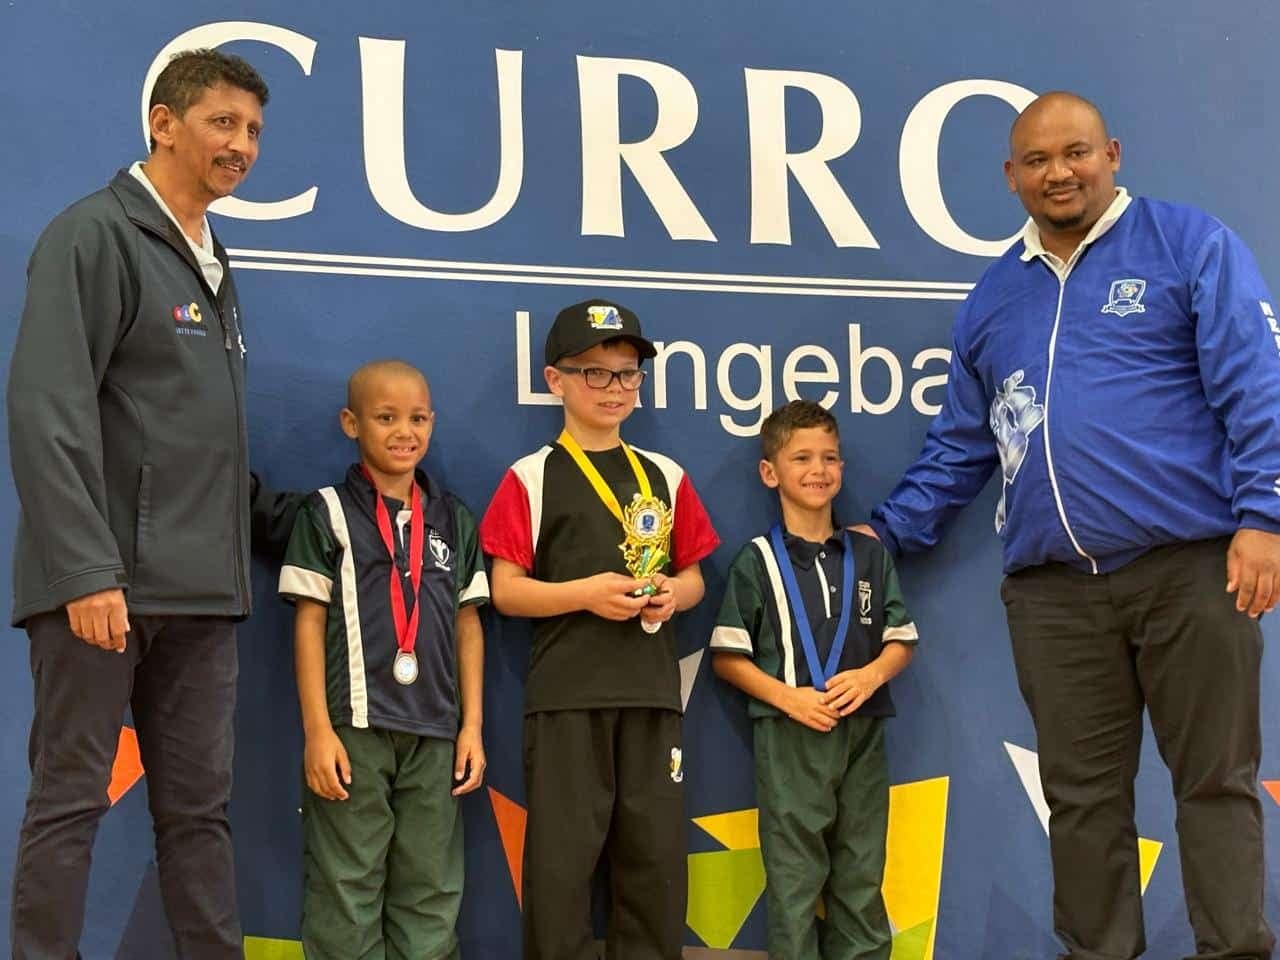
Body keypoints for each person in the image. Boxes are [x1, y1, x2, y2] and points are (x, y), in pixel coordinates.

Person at [863, 91, 1278, 959]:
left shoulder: (1188, 245)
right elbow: (962, 444)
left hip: (1191, 571)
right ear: (1010, 176)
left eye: (1076, 152)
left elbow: (1259, 387)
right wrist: (887, 535)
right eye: (1039, 160)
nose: (1059, 172)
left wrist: (1266, 516)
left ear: (1112, 154)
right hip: (1054, 597)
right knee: (1082, 801)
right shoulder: (994, 296)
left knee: (1215, 785)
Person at [6, 48, 300, 959]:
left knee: (200, 815)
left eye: (254, 129)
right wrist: (85, 572)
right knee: (70, 801)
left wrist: (303, 525)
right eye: (223, 122)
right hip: (104, 590)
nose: (243, 145)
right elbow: (47, 409)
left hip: (203, 593)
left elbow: (185, 438)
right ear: (163, 124)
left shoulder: (212, 256)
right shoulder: (92, 234)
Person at [479, 299, 719, 960]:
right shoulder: (531, 477)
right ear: (555, 379)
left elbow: (695, 578)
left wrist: (672, 594)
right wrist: (584, 594)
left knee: (654, 864)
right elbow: (505, 591)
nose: (614, 388)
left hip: (651, 694)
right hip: (567, 697)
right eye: (595, 373)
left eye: (627, 374)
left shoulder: (665, 475)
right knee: (561, 868)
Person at [278, 360, 487, 960]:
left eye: (418, 418)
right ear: (352, 423)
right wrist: (318, 730)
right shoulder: (325, 512)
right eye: (386, 417)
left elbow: (469, 624)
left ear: (433, 423)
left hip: (437, 733)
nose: (404, 432)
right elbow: (308, 621)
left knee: (431, 889)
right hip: (354, 729)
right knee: (347, 886)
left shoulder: (453, 518)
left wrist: (471, 727)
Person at [710, 400, 917, 960]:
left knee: (862, 871)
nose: (818, 469)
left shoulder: (869, 554)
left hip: (862, 729)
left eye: (829, 457)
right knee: (795, 881)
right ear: (770, 472)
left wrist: (870, 677)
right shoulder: (756, 561)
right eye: (801, 458)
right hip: (790, 735)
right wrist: (788, 699)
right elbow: (727, 656)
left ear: (842, 467)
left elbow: (902, 639)